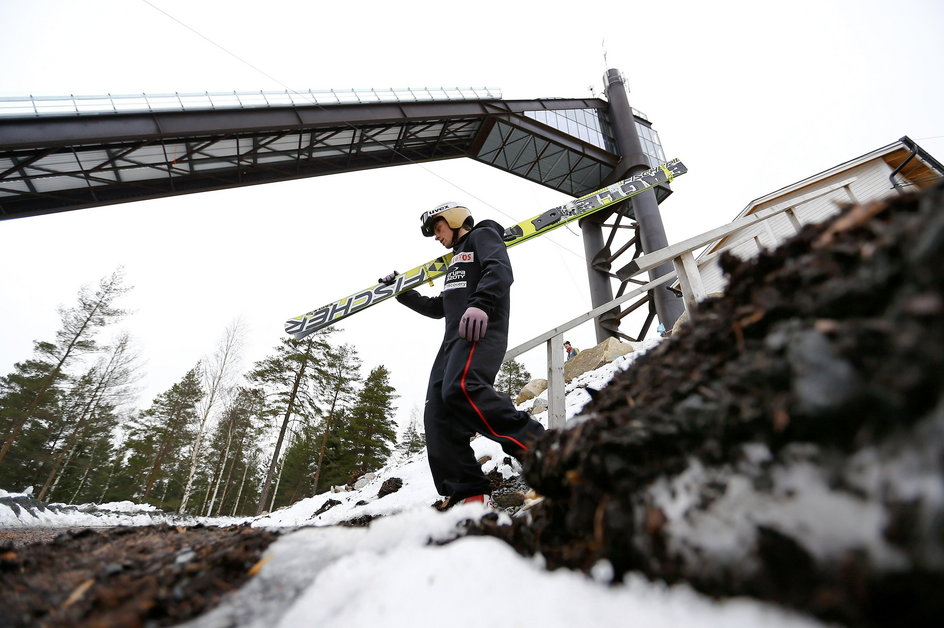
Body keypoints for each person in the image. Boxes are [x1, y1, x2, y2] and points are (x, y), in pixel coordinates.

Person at [381, 201, 546, 508]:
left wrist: (482, 303)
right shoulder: (455, 262)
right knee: (438, 413)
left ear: (455, 221)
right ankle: (468, 491)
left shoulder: (482, 235)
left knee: (463, 388)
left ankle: (544, 450)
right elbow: (437, 307)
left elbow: (500, 269)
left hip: (481, 329)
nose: (436, 237)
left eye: (438, 229)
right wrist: (402, 291)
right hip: (453, 339)